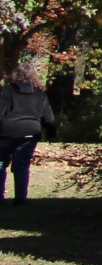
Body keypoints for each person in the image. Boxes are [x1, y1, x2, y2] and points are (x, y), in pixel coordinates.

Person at [2, 60, 57, 205]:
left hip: (6, 131)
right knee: (21, 165)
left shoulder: (6, 91)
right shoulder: (39, 94)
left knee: (0, 163)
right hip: (30, 131)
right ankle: (20, 198)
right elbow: (49, 118)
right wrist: (51, 133)